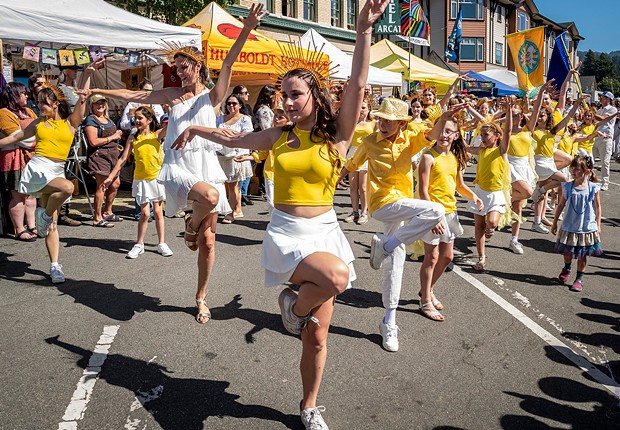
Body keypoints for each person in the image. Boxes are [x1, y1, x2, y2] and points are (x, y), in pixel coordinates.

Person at [170, 1, 390, 427]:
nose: (286, 102)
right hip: (288, 235)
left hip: (325, 231)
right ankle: (291, 308)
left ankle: (309, 405)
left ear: (314, 95)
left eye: (294, 95)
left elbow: (359, 84)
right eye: (281, 95)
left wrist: (363, 30)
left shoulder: (337, 136)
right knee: (338, 277)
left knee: (318, 337)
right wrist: (197, 128)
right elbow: (234, 139)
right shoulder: (278, 136)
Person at [81, 3, 266, 324]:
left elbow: (231, 59)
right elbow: (132, 95)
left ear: (197, 67)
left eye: (184, 67)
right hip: (177, 167)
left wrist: (247, 27)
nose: (179, 72)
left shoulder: (213, 96)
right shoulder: (170, 95)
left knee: (209, 243)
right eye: (176, 67)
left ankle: (201, 296)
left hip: (206, 167)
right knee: (209, 200)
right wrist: (96, 86)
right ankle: (190, 225)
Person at [340, 97, 462, 352]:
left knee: (396, 264)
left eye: (390, 120)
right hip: (382, 204)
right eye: (382, 119)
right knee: (436, 209)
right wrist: (325, 183)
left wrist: (445, 115)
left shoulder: (411, 139)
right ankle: (388, 244)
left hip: (403, 206)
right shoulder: (369, 142)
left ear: (401, 124)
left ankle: (389, 321)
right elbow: (350, 165)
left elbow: (432, 134)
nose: (384, 124)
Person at [0, 60, 101, 283]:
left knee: (52, 225)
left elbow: (83, 97)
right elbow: (16, 137)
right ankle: (43, 216)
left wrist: (89, 72)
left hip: (56, 169)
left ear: (55, 104)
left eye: (44, 103)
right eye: (37, 102)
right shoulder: (38, 123)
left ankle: (54, 265)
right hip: (38, 168)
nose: (40, 106)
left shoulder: (70, 123)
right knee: (66, 188)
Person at [418, 115, 482, 321]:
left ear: (455, 136)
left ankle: (427, 291)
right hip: (433, 212)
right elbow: (423, 190)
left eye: (448, 132)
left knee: (447, 257)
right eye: (441, 130)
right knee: (432, 257)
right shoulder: (428, 157)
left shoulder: (454, 158)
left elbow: (459, 185)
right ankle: (425, 300)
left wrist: (473, 196)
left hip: (450, 212)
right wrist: (433, 217)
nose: (443, 135)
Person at [102, 106, 172, 259]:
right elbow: (121, 160)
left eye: (140, 118)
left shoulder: (157, 135)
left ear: (149, 120)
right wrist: (110, 177)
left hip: (156, 178)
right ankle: (139, 244)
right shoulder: (133, 138)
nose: (137, 120)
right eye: (136, 118)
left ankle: (161, 243)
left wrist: (170, 110)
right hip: (141, 180)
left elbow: (172, 123)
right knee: (145, 214)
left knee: (159, 212)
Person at [465, 100, 512, 272]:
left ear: (496, 136)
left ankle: (491, 230)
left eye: (486, 135)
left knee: (491, 222)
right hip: (480, 192)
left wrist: (507, 111)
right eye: (482, 135)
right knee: (479, 226)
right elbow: (467, 148)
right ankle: (481, 257)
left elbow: (508, 131)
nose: (483, 138)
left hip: (496, 193)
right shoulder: (482, 150)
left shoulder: (501, 150)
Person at [530, 86, 584, 234]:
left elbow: (567, 118)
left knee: (541, 196)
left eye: (543, 116)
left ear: (548, 117)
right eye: (539, 116)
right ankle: (540, 190)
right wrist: (540, 93)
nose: (540, 118)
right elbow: (533, 112)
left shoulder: (552, 131)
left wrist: (577, 102)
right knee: (564, 179)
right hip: (539, 162)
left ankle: (536, 221)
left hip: (548, 162)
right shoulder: (531, 131)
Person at [551, 155, 602, 292]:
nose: (573, 171)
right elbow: (561, 205)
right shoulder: (568, 186)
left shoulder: (592, 187)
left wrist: (598, 225)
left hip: (586, 227)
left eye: (577, 168)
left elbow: (597, 207)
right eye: (572, 168)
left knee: (582, 254)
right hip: (570, 225)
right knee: (567, 252)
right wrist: (554, 222)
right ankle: (567, 267)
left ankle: (579, 278)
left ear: (586, 171)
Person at [0, 82, 38, 241]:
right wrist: (37, 139)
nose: (27, 95)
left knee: (31, 194)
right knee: (18, 195)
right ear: (14, 95)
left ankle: (32, 225)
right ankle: (19, 229)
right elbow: (23, 140)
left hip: (31, 158)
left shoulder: (28, 111)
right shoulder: (4, 113)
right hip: (13, 158)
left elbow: (43, 128)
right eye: (23, 93)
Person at [83, 94, 124, 227]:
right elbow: (93, 141)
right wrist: (113, 137)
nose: (100, 106)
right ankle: (97, 217)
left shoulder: (107, 119)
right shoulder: (91, 120)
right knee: (102, 185)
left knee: (115, 183)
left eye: (102, 103)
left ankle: (108, 211)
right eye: (97, 103)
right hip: (99, 156)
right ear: (92, 106)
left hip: (112, 155)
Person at [216, 93, 254, 224]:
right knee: (228, 185)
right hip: (221, 155)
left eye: (234, 103)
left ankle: (231, 212)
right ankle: (237, 209)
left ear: (240, 105)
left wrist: (229, 136)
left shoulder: (244, 119)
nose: (231, 106)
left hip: (237, 155)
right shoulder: (221, 119)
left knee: (232, 185)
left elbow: (246, 135)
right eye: (229, 103)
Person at [343, 98, 373, 225]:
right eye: (359, 107)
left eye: (364, 107)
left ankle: (364, 212)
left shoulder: (373, 123)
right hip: (353, 154)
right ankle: (354, 211)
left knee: (363, 187)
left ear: (369, 109)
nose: (361, 110)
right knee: (353, 186)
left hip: (366, 154)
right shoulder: (352, 123)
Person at [232, 84, 254, 206]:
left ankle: (242, 195)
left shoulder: (247, 109)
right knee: (235, 178)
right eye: (245, 93)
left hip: (246, 144)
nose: (247, 95)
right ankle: (237, 201)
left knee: (245, 173)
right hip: (234, 148)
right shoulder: (228, 113)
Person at [592, 91, 617, 191]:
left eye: (604, 97)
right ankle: (590, 178)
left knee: (605, 162)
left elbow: (602, 119)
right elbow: (595, 122)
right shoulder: (599, 110)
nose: (601, 99)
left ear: (609, 99)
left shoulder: (612, 109)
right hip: (595, 137)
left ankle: (605, 182)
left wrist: (591, 112)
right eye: (602, 97)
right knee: (590, 160)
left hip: (606, 139)